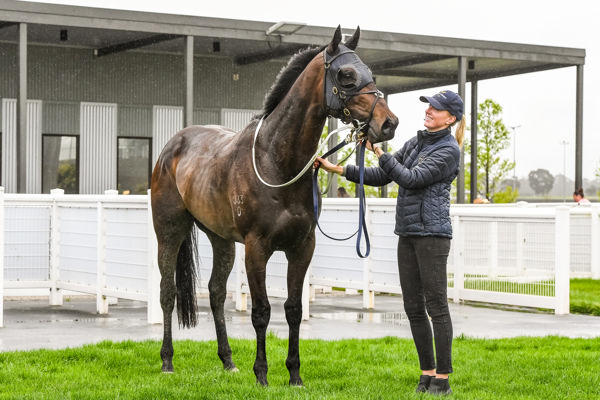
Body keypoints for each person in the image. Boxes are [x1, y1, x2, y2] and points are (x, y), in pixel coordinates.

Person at [316, 90, 465, 396]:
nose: (429, 111)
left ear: (450, 118)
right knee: (412, 306)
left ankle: (444, 379)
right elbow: (383, 176)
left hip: (433, 235)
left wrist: (379, 153)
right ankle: (426, 374)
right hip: (408, 232)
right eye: (428, 106)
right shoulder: (416, 142)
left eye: (436, 109)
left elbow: (410, 178)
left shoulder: (449, 150)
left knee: (436, 306)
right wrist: (341, 170)